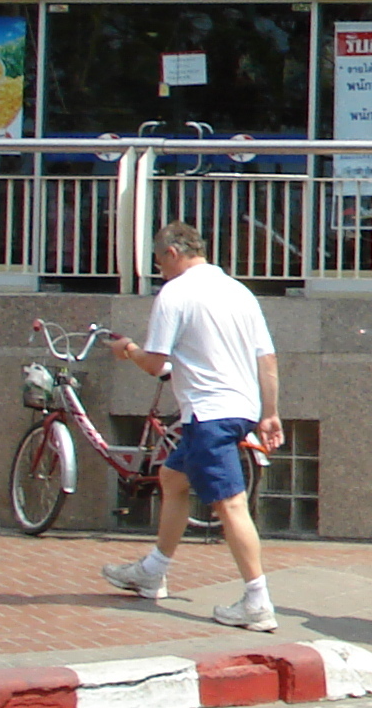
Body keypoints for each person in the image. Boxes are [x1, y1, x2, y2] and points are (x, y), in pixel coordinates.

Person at [101, 222, 283, 632]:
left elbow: (153, 361)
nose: (158, 269)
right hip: (241, 409)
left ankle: (257, 600)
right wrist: (270, 413)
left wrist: (127, 349)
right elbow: (266, 359)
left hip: (207, 415)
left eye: (157, 261)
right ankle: (153, 570)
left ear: (171, 253)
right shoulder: (239, 292)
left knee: (230, 504)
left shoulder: (176, 293)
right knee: (172, 478)